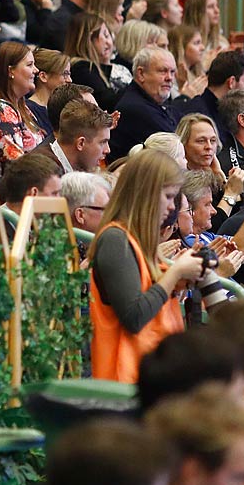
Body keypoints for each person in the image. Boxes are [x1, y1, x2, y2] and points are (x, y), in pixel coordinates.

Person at [87, 151, 200, 381]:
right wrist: (176, 272)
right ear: (145, 193)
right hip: (125, 383)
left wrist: (177, 282)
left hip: (152, 375)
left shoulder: (138, 241)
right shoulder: (115, 240)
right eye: (168, 197)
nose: (171, 208)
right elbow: (134, 316)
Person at [109, 46, 179, 161]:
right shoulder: (135, 108)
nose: (169, 78)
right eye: (163, 71)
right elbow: (177, 144)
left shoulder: (152, 102)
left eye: (172, 72)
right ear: (141, 74)